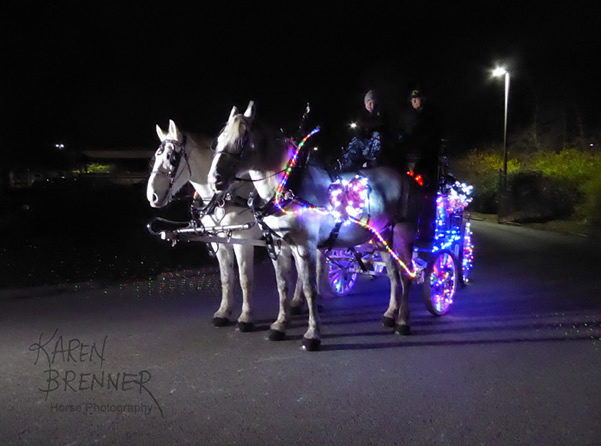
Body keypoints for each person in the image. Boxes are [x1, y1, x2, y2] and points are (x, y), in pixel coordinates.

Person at [339, 90, 386, 170]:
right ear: (366, 103)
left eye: (373, 103)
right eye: (370, 103)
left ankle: (371, 162)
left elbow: (380, 127)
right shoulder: (360, 115)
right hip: (360, 142)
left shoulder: (379, 115)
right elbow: (356, 129)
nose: (372, 106)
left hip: (371, 147)